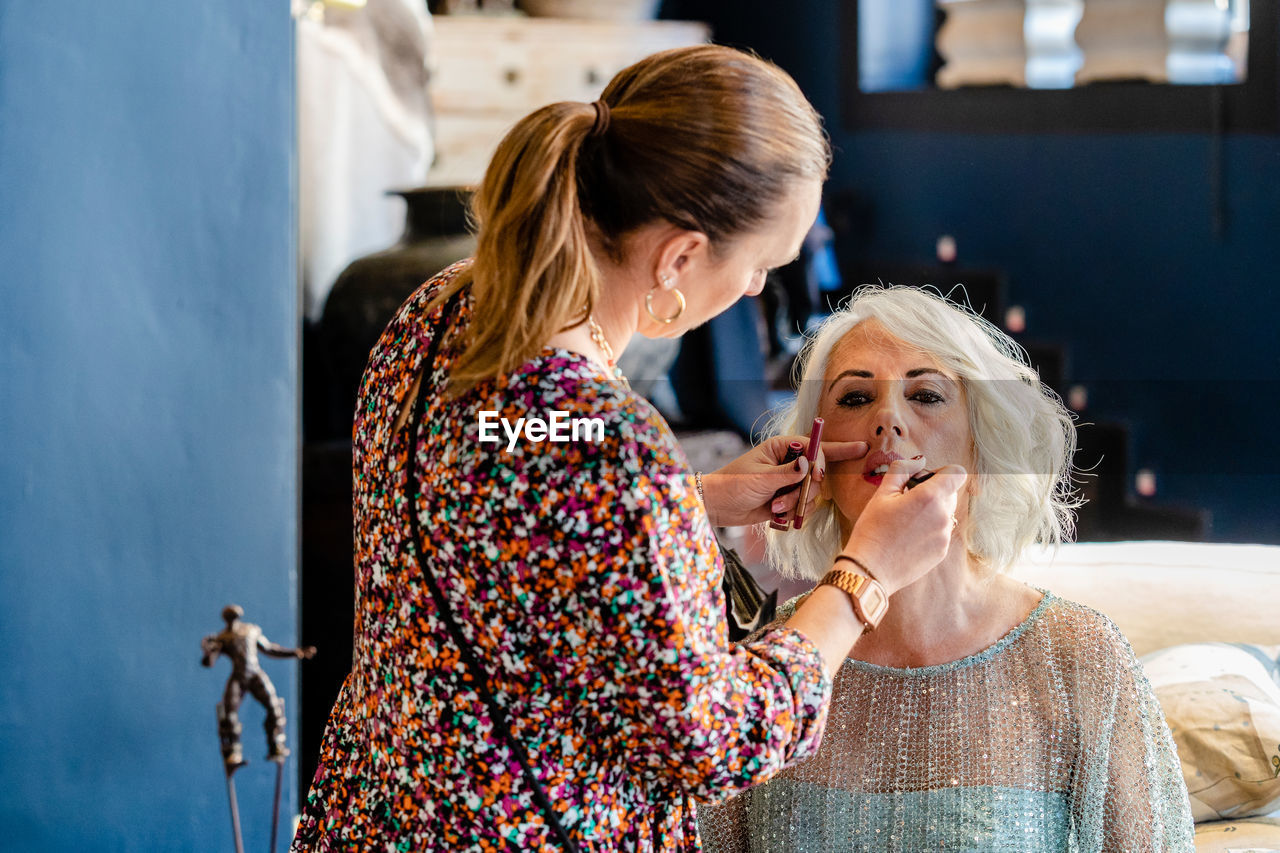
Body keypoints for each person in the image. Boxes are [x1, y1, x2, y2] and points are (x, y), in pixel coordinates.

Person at [291, 46, 967, 851]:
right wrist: (864, 575)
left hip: (380, 813)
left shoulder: (442, 314)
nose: (754, 289)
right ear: (680, 256)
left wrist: (690, 499)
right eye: (758, 266)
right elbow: (712, 740)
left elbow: (494, 471)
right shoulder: (614, 444)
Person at [696, 286, 1195, 852]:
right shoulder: (761, 667)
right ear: (813, 459)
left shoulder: (1079, 658)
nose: (887, 418)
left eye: (927, 395)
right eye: (856, 398)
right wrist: (698, 500)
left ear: (982, 451)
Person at [201, 604, 316, 769]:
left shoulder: (250, 631)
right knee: (229, 713)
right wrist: (208, 650)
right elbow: (209, 663)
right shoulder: (223, 638)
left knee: (273, 707)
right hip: (238, 677)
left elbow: (269, 648)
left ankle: (275, 744)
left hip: (255, 674)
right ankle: (233, 751)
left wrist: (295, 653)